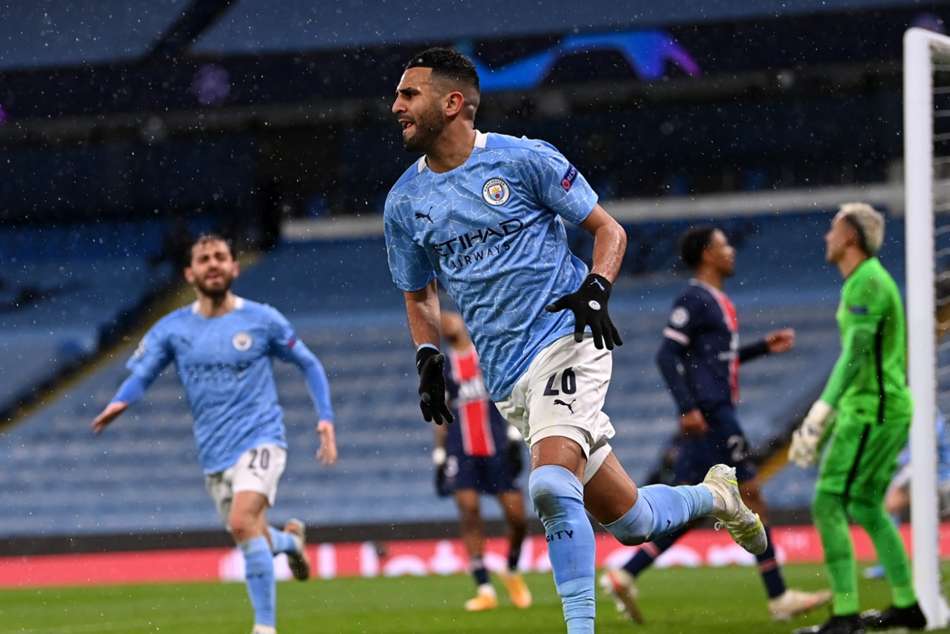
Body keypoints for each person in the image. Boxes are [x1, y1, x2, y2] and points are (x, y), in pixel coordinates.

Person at [384, 46, 767, 634]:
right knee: (632, 519)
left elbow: (608, 230)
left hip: (568, 335)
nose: (396, 107)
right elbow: (419, 293)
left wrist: (596, 287)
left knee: (547, 484)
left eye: (409, 95)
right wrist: (428, 354)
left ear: (453, 102)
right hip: (509, 377)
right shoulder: (405, 203)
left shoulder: (523, 161)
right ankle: (718, 498)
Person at [90, 234, 338, 634]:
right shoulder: (173, 328)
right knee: (250, 532)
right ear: (190, 273)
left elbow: (309, 364)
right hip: (214, 452)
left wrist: (324, 417)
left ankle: (264, 627)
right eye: (204, 259)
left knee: (242, 521)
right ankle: (291, 543)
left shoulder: (262, 320)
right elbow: (143, 372)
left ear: (234, 268)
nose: (213, 264)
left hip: (262, 437)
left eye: (221, 257)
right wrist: (121, 401)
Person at [600, 226, 830, 622]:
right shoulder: (695, 299)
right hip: (714, 415)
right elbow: (666, 355)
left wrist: (761, 348)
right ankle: (779, 597)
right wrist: (688, 407)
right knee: (751, 494)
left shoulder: (716, 301)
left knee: (694, 507)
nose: (731, 252)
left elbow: (714, 361)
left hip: (711, 412)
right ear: (707, 254)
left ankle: (626, 572)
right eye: (724, 245)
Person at [789, 203, 927, 633]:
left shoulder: (866, 282)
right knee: (867, 505)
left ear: (850, 236)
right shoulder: (867, 281)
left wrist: (819, 415)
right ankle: (907, 605)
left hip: (872, 410)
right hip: (880, 408)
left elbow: (856, 356)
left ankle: (845, 616)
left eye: (833, 229)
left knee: (828, 501)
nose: (827, 236)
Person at [432, 310, 532, 611]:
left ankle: (512, 569)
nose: (445, 321)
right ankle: (484, 588)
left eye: (449, 316)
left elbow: (511, 394)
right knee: (469, 511)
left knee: (517, 518)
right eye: (441, 320)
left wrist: (515, 436)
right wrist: (439, 454)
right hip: (460, 448)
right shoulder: (443, 366)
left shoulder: (486, 354)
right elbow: (440, 414)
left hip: (496, 446)